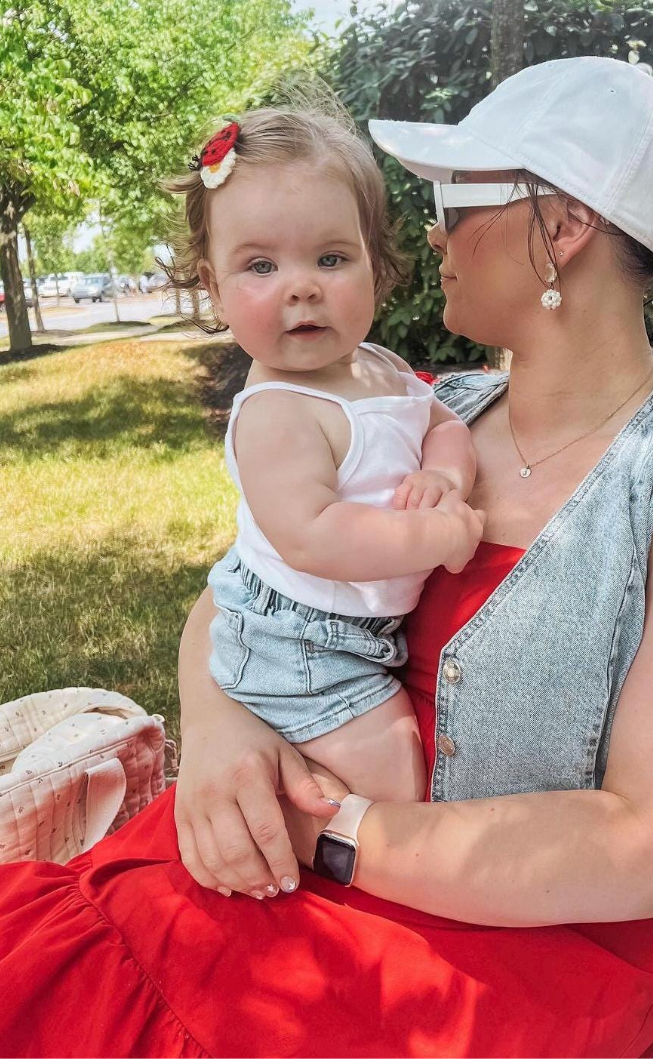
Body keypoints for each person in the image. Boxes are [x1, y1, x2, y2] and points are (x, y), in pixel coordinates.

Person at [0, 58, 653, 1059]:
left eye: (455, 200)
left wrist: (328, 830)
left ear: (561, 226)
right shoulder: (419, 411)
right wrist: (226, 733)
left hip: (508, 949)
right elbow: (249, 595)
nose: (429, 233)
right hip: (297, 871)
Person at [164, 106, 481, 807]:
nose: (301, 285)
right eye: (260, 265)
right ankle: (304, 832)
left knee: (394, 763)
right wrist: (428, 536)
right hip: (297, 641)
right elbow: (312, 536)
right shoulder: (278, 412)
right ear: (214, 290)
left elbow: (442, 422)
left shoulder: (378, 364)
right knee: (397, 771)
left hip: (353, 627)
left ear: (376, 264)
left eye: (330, 258)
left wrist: (442, 474)